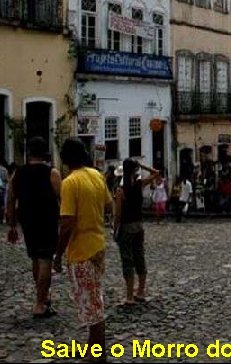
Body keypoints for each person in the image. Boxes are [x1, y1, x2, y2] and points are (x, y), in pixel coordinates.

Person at [53, 138, 113, 359]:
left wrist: (58, 254)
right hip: (98, 245)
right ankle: (93, 347)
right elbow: (108, 204)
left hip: (81, 251)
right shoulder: (96, 175)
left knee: (91, 303)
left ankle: (97, 352)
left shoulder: (70, 182)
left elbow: (67, 223)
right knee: (94, 297)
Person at [6, 137, 61, 317]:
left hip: (28, 220)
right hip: (47, 219)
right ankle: (40, 302)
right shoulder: (52, 173)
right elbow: (62, 199)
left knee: (36, 259)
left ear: (29, 153)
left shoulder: (18, 174)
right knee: (46, 260)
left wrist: (12, 224)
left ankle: (42, 297)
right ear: (45, 153)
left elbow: (12, 199)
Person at [113, 159, 160, 305]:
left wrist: (115, 230)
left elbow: (118, 214)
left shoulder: (121, 191)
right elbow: (156, 173)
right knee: (139, 257)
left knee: (128, 261)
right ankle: (140, 291)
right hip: (139, 226)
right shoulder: (139, 185)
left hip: (126, 227)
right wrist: (142, 165)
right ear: (135, 171)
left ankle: (129, 295)